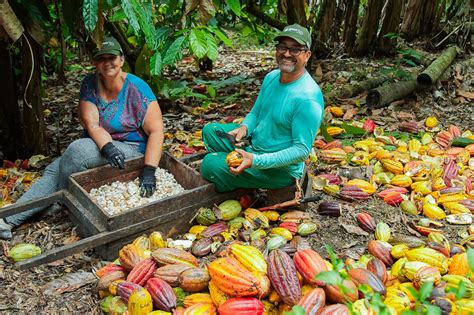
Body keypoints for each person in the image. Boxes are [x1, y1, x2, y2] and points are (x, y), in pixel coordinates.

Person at [0, 37, 164, 240]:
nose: (107, 63)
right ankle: (8, 220)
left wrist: (149, 171)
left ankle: (59, 202)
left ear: (121, 60)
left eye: (111, 57)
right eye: (101, 59)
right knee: (56, 167)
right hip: (103, 144)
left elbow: (157, 131)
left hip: (132, 148)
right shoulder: (90, 83)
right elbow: (92, 124)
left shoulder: (137, 88)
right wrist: (108, 148)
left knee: (77, 152)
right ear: (95, 63)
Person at [201, 24, 324, 192]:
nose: (286, 54)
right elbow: (256, 112)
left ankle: (235, 182)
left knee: (209, 164)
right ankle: (237, 168)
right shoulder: (271, 77)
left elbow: (302, 151)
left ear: (307, 55)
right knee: (210, 131)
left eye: (295, 50)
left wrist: (255, 160)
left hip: (277, 169)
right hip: (254, 144)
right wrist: (245, 127)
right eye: (282, 47)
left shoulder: (308, 99)